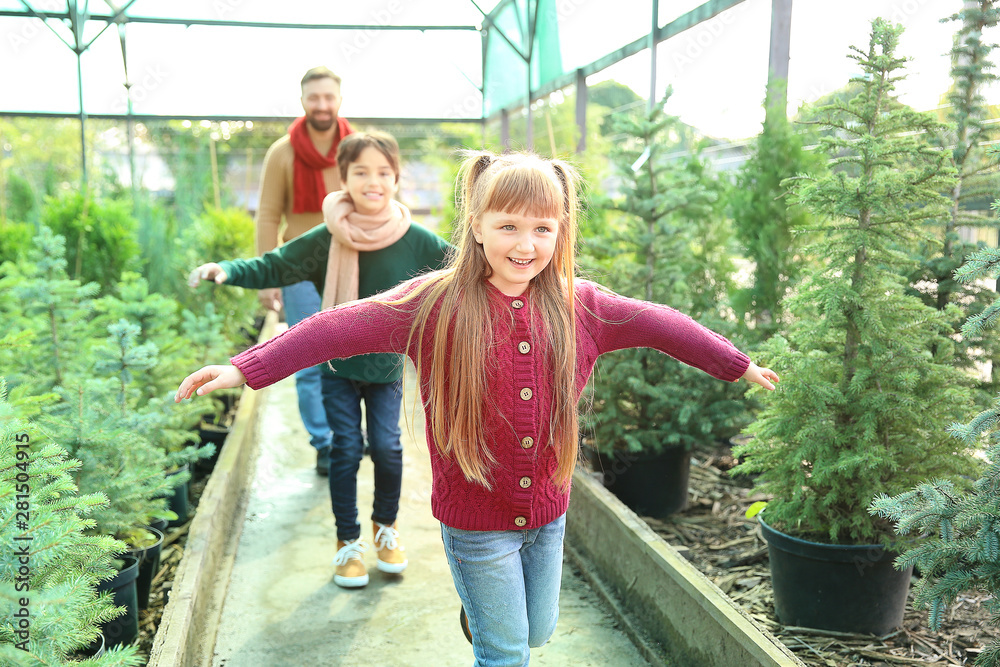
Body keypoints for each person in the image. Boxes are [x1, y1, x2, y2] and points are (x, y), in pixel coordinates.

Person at [177, 150, 779, 665]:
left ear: (562, 231)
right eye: (510, 226)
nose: (527, 244)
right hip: (474, 516)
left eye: (544, 229)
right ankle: (491, 626)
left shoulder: (582, 306)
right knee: (507, 653)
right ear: (478, 225)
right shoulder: (433, 304)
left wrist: (737, 364)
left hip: (548, 509)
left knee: (535, 631)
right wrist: (243, 368)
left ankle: (484, 617)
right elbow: (335, 328)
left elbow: (661, 323)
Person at [188, 131, 452, 588]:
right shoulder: (326, 237)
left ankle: (385, 529)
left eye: (384, 173)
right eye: (361, 172)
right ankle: (347, 542)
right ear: (344, 177)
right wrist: (226, 270)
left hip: (387, 367)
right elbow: (277, 263)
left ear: (396, 177)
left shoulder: (416, 240)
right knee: (345, 449)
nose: (374, 182)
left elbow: (464, 269)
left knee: (388, 449)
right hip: (337, 366)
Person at [254, 65, 355, 475]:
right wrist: (267, 276)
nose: (322, 105)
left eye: (329, 97)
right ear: (302, 101)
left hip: (352, 264)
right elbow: (266, 216)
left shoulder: (356, 149)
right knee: (308, 361)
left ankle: (350, 436)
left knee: (353, 356)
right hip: (300, 272)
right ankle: (325, 443)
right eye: (314, 98)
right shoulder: (283, 152)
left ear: (339, 99)